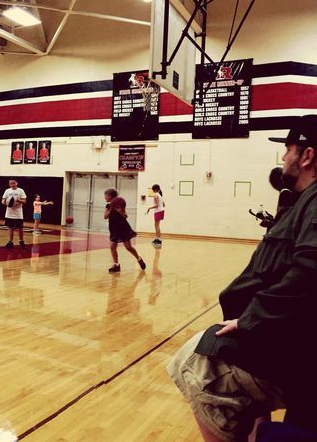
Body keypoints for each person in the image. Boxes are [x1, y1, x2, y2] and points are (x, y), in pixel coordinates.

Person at [167, 116, 317, 442]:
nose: (283, 158)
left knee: (194, 361)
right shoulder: (302, 200)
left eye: (289, 150)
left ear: (306, 156)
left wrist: (252, 319)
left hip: (296, 349)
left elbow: (310, 273)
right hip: (284, 335)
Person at [104, 188, 145, 272]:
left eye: (106, 196)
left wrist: (121, 212)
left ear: (110, 196)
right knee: (112, 246)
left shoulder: (119, 204)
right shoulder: (108, 205)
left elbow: (126, 216)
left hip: (123, 227)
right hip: (113, 228)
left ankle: (139, 258)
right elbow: (105, 216)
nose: (105, 197)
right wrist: (111, 210)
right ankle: (116, 265)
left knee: (128, 247)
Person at [1, 179, 27, 248]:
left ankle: (21, 241)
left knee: (20, 228)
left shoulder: (20, 190)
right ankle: (10, 242)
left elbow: (24, 201)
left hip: (18, 213)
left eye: (13, 183)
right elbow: (3, 200)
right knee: (10, 228)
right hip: (9, 213)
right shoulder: (7, 191)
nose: (12, 184)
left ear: (17, 183)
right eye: (10, 183)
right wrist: (4, 202)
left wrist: (18, 200)